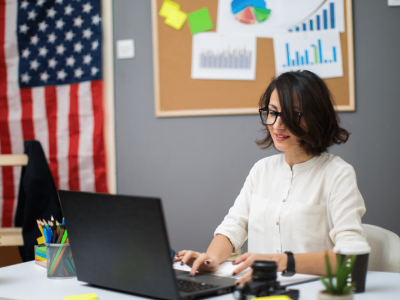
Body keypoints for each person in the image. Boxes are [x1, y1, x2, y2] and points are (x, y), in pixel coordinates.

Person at [175, 70, 367, 285]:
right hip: (258, 289)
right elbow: (234, 227)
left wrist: (281, 261)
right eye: (273, 112)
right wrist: (210, 259)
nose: (277, 125)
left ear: (316, 117)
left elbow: (351, 257)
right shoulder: (262, 170)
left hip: (311, 291)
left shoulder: (337, 173)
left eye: (293, 115)